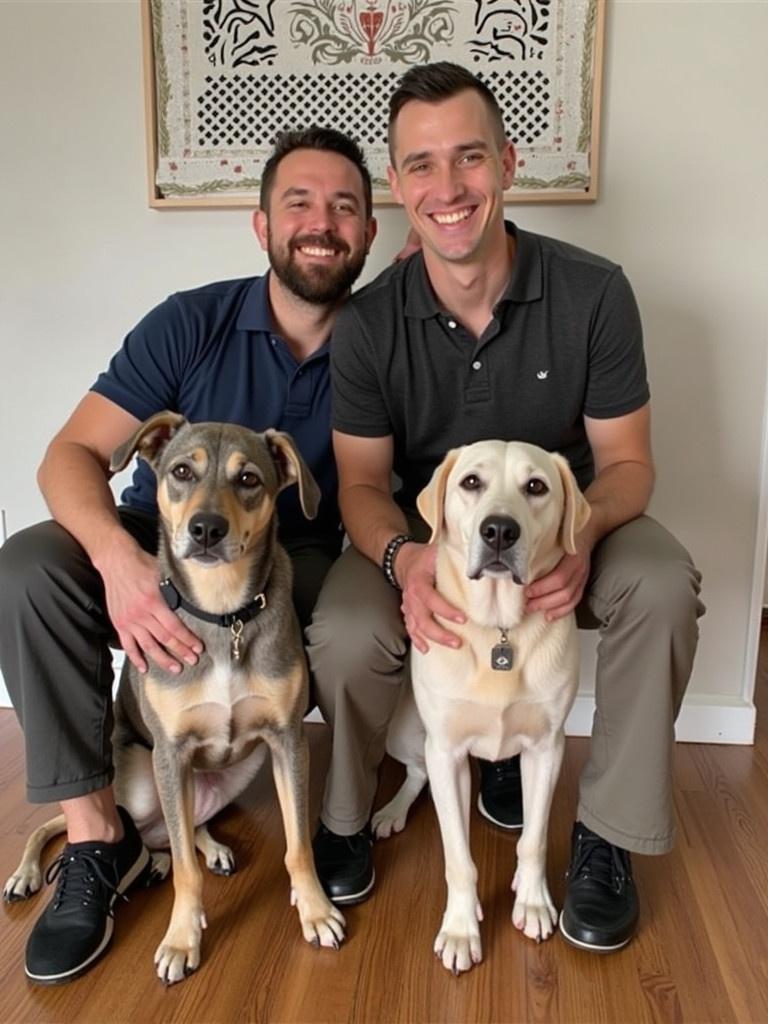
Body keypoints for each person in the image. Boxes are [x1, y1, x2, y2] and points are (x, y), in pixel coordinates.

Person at [307, 63, 704, 953]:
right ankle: (343, 814)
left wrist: (583, 533)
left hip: (568, 520)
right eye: (421, 166)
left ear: (509, 163)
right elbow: (365, 486)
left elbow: (629, 465)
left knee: (665, 583)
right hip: (429, 540)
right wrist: (405, 561)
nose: (448, 189)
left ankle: (606, 833)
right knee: (340, 628)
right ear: (399, 186)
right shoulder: (370, 324)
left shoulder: (595, 292)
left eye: (469, 158)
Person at [0, 126, 377, 985]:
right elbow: (68, 456)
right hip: (151, 542)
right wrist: (120, 565)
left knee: (358, 618)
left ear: (367, 231)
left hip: (303, 546)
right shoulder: (190, 322)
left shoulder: (382, 336)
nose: (320, 223)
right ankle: (98, 838)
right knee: (25, 569)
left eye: (343, 206)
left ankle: (340, 824)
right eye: (299, 203)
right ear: (261, 224)